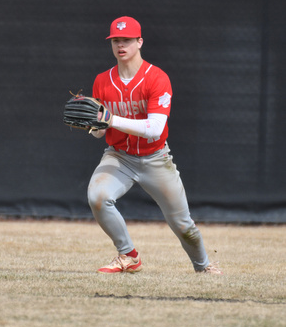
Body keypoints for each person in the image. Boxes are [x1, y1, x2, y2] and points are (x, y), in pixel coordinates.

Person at [87, 16, 222, 275]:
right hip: (119, 157)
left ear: (140, 42)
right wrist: (92, 126)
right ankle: (128, 255)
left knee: (183, 225)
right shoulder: (102, 81)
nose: (120, 45)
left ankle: (203, 266)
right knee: (98, 196)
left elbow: (154, 130)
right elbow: (100, 131)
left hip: (155, 158)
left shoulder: (156, 78)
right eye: (116, 40)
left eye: (126, 40)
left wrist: (111, 119)